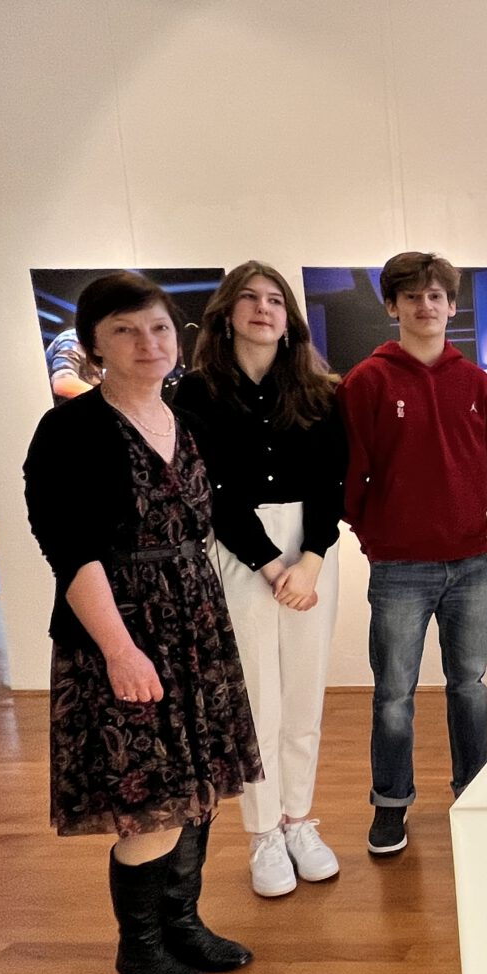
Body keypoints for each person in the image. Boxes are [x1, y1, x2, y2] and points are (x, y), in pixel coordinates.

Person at [23, 271, 261, 974]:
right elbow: (70, 550)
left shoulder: (189, 421)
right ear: (94, 345)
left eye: (158, 328)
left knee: (199, 787)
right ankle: (141, 946)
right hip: (124, 625)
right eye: (125, 330)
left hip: (195, 622)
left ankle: (182, 920)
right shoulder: (70, 431)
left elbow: (213, 519)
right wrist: (121, 651)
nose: (146, 343)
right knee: (153, 798)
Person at [176, 261, 347, 899]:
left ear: (289, 317)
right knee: (258, 705)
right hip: (242, 553)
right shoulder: (197, 394)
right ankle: (263, 835)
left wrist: (311, 560)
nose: (263, 309)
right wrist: (272, 564)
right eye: (249, 298)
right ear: (226, 313)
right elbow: (211, 492)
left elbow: (334, 480)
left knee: (303, 700)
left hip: (311, 553)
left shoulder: (318, 389)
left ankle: (299, 819)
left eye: (275, 299)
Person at [338, 252, 487, 857]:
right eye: (412, 297)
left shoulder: (477, 384)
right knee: (393, 695)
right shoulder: (368, 382)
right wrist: (379, 537)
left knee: (469, 686)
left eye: (436, 296)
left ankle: (474, 791)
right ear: (392, 306)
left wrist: (460, 521)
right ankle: (390, 806)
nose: (425, 306)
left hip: (470, 564)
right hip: (399, 568)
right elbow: (352, 475)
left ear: (452, 305)